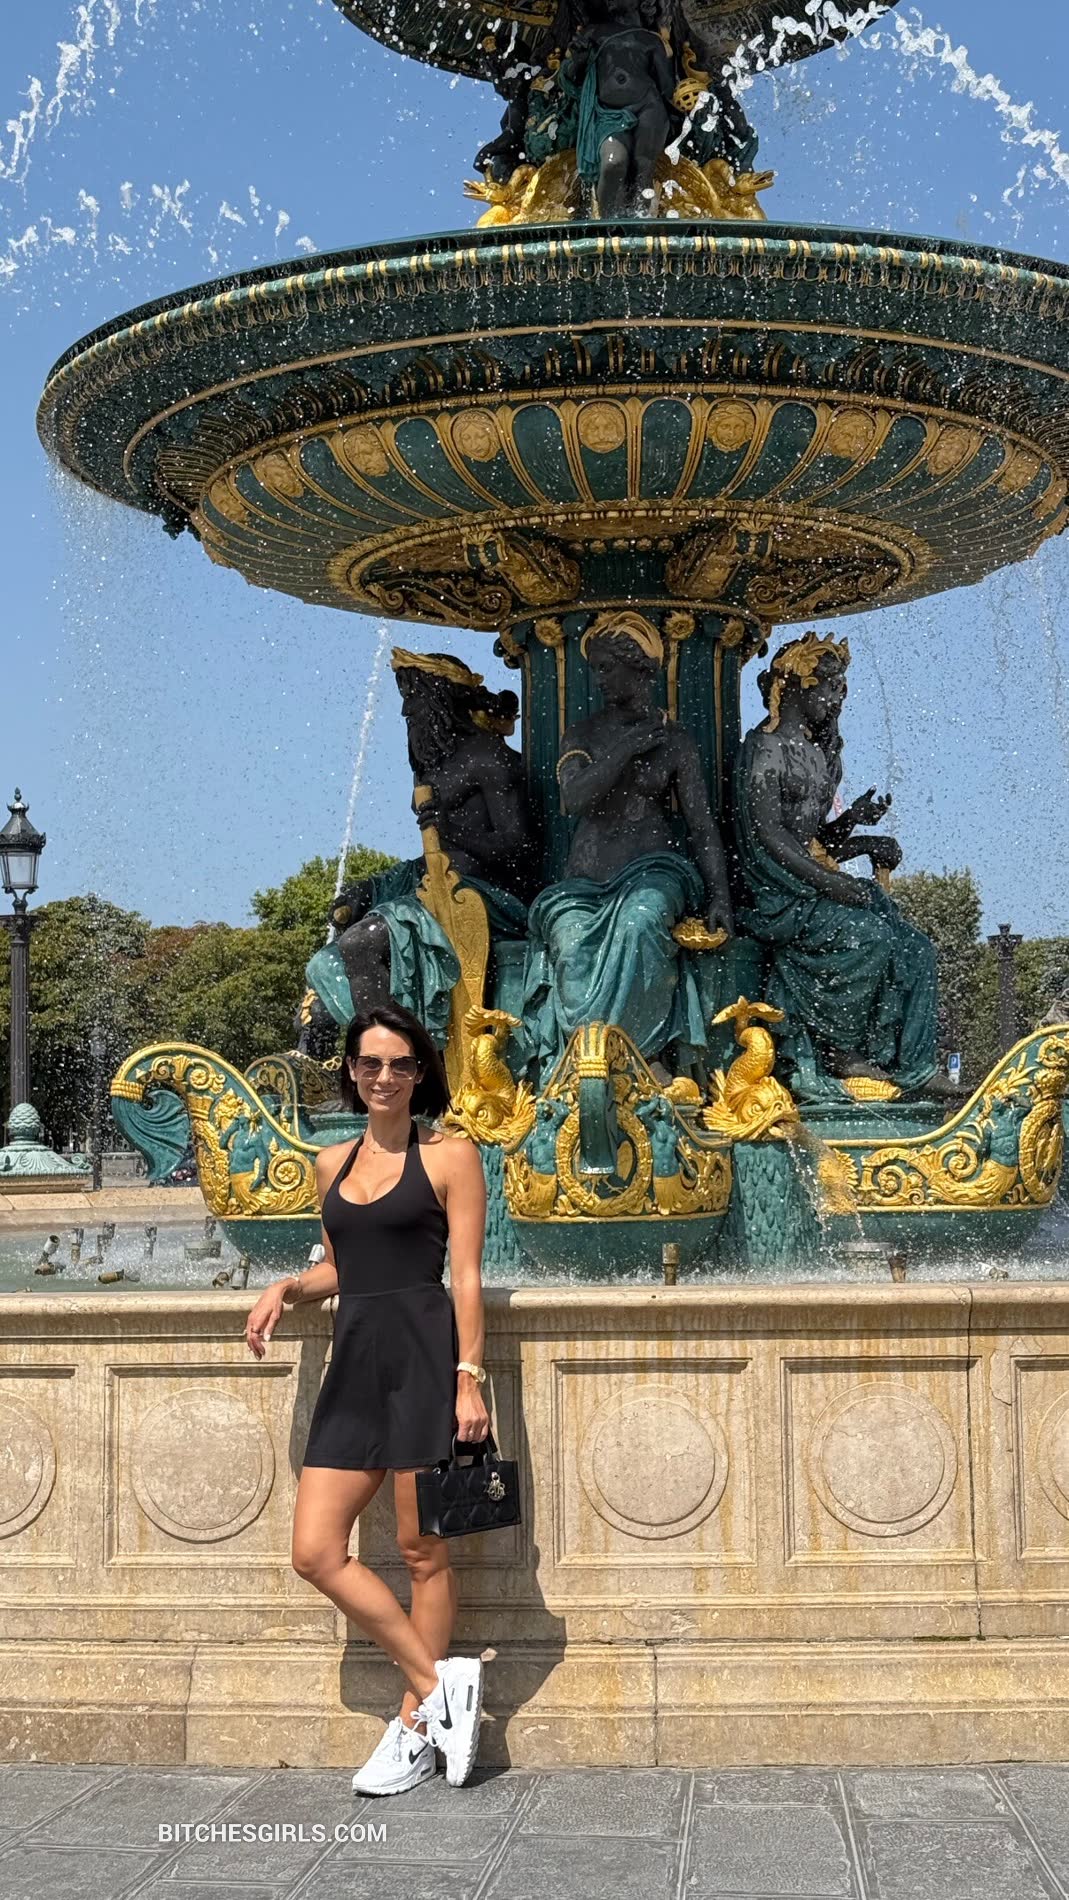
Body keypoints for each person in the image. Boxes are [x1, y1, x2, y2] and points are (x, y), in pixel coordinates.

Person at [244, 1001, 492, 1795]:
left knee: (423, 1552)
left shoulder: (452, 1156)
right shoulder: (331, 1163)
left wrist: (468, 1378)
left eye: (400, 1064)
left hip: (423, 1358)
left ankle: (416, 1725)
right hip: (353, 1364)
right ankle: (442, 1687)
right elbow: (342, 1266)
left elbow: (466, 1275)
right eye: (370, 1063)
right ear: (350, 1071)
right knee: (315, 1552)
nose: (384, 1076)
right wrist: (288, 1287)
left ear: (420, 1074)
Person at [519, 609, 733, 1081]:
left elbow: (701, 827)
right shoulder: (582, 735)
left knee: (641, 922)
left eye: (606, 667)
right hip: (586, 880)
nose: (598, 679)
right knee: (570, 942)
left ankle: (641, 1055)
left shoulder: (676, 742)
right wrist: (626, 748)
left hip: (652, 870)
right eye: (594, 669)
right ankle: (582, 1060)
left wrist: (720, 894)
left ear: (639, 667)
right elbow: (574, 798)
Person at [734, 632, 944, 1099]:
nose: (836, 702)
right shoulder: (765, 749)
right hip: (776, 894)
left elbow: (815, 839)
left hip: (810, 884)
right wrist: (829, 882)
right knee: (869, 937)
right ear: (797, 687)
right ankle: (840, 1051)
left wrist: (855, 825)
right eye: (830, 689)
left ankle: (916, 1067)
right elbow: (768, 836)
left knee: (916, 948)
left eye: (840, 691)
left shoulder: (821, 755)